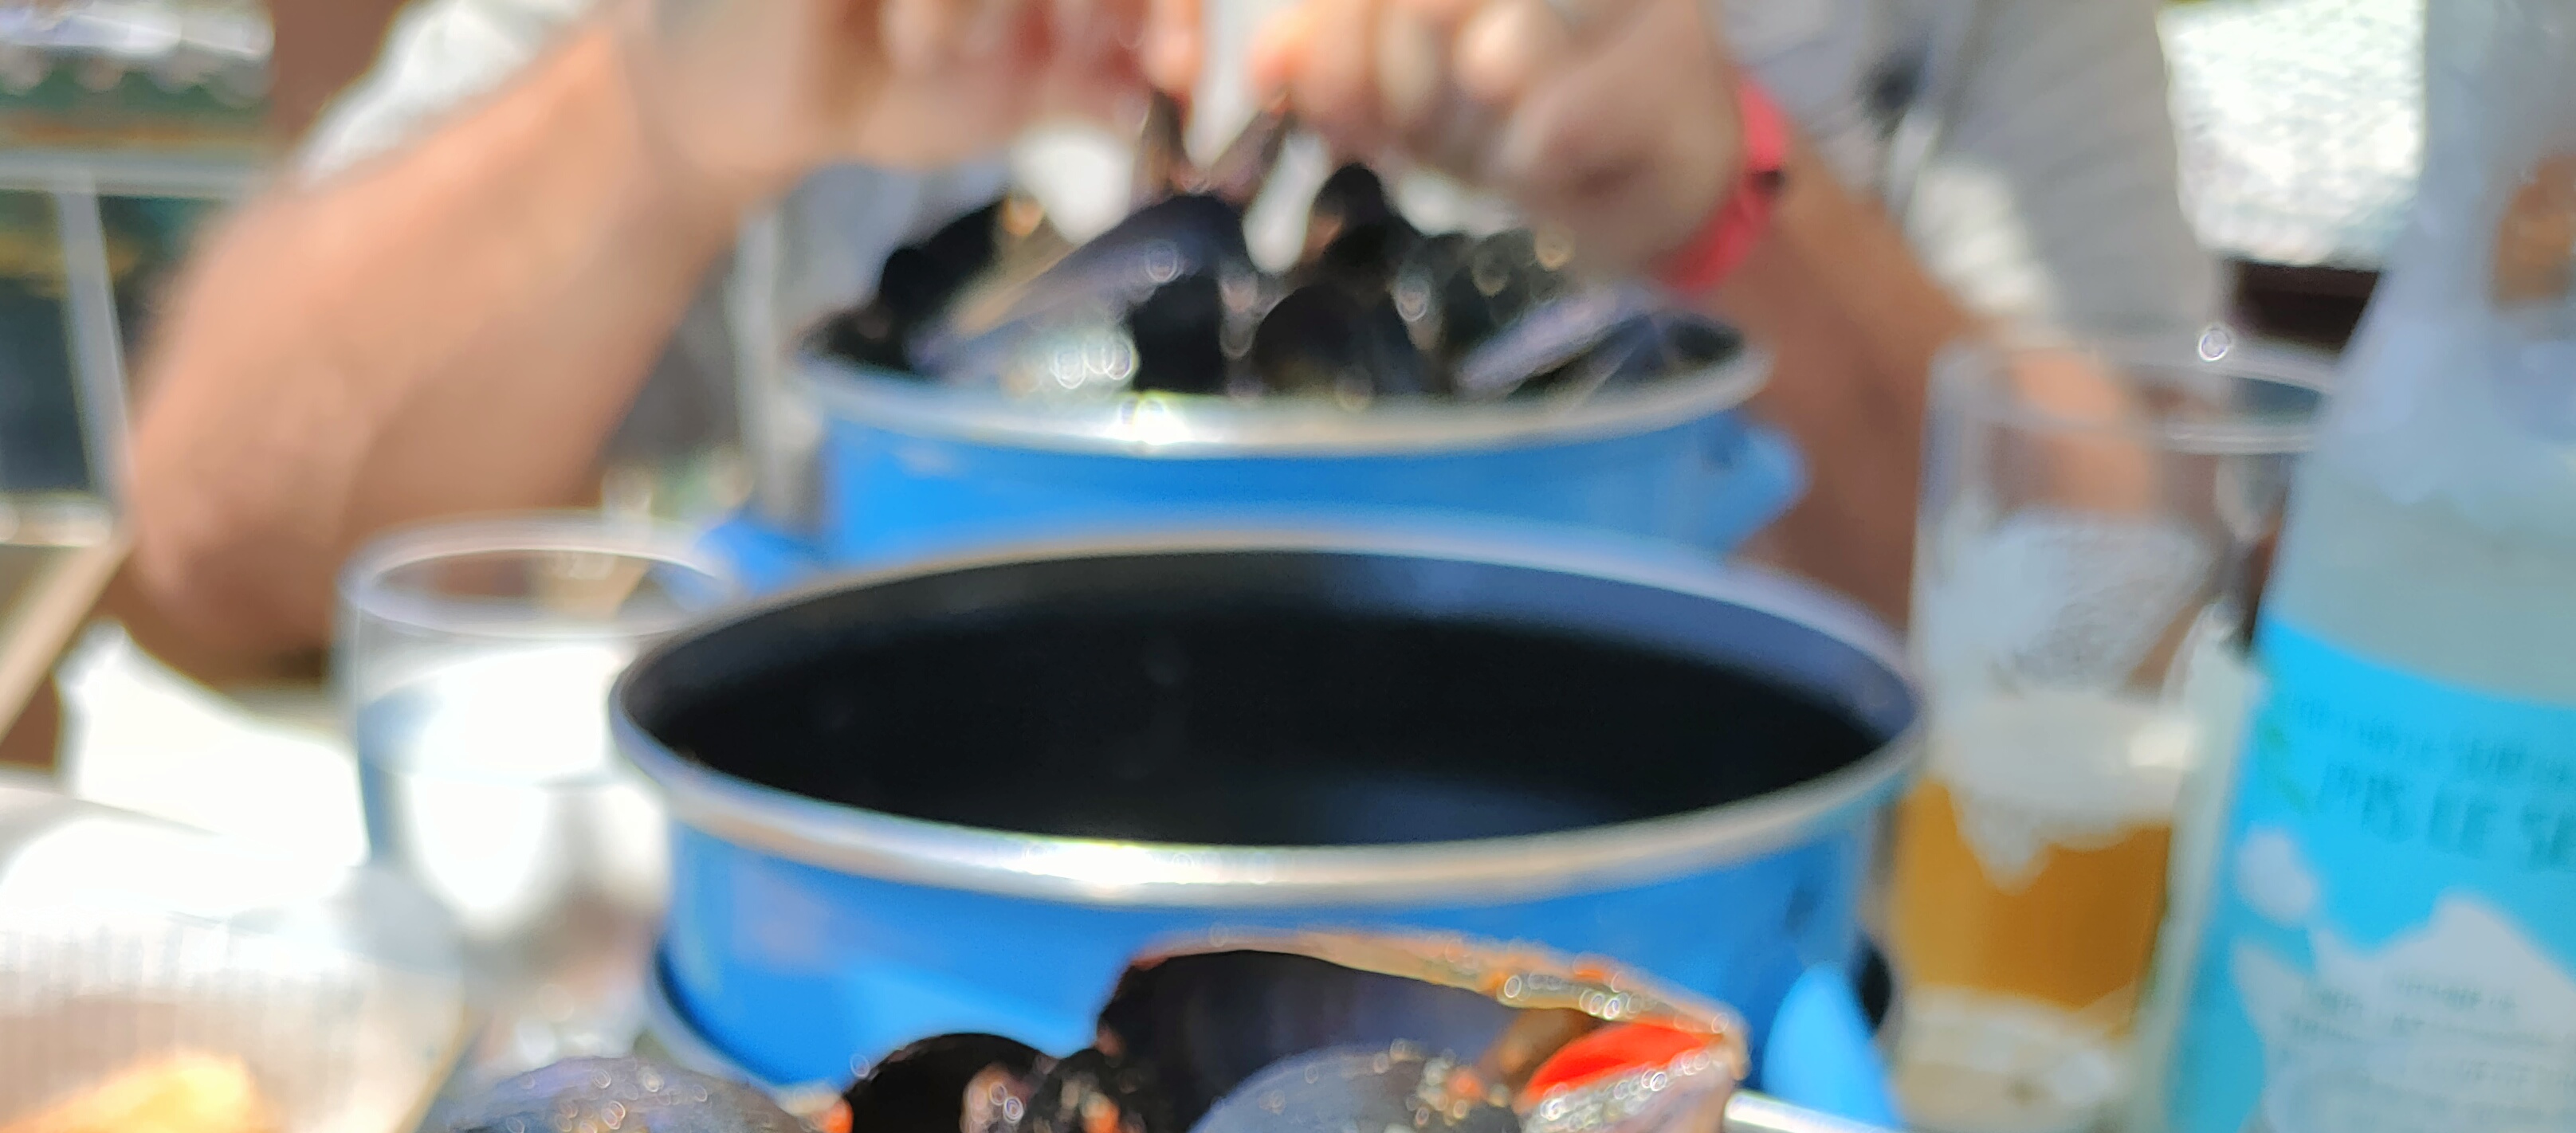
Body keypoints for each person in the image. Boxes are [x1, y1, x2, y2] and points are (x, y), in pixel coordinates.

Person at [126, 0, 2211, 668]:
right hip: (894, 970)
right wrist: (652, 118)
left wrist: (1733, 203)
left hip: (1704, 1012)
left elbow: (2127, 627)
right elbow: (226, 545)